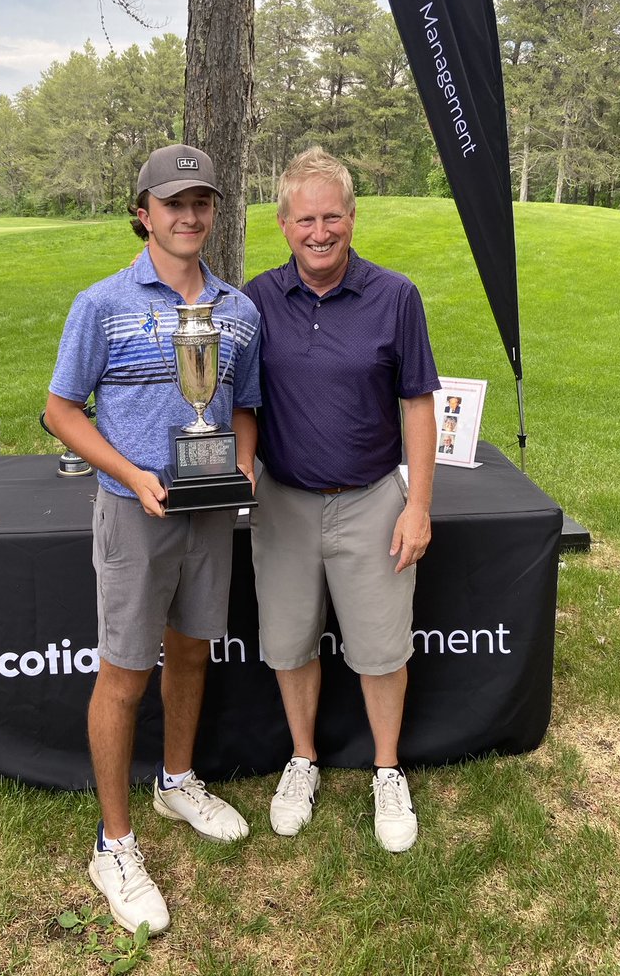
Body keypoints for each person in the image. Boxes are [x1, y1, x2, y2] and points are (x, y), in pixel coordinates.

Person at [44, 143, 261, 936]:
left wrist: (238, 467)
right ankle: (114, 842)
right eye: (173, 203)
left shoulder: (236, 310)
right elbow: (61, 411)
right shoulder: (100, 303)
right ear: (143, 212)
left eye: (200, 202)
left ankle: (175, 780)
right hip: (135, 511)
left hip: (207, 511)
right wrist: (133, 476)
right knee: (125, 672)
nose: (188, 216)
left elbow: (241, 405)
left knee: (192, 649)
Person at [243, 146, 439, 852]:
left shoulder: (395, 296)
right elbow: (237, 403)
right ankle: (302, 759)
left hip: (372, 500)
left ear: (352, 218)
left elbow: (418, 403)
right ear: (282, 223)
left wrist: (417, 504)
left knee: (382, 650)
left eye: (331, 217)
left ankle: (387, 771)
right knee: (290, 643)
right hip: (285, 502)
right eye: (305, 219)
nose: (318, 231)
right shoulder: (255, 300)